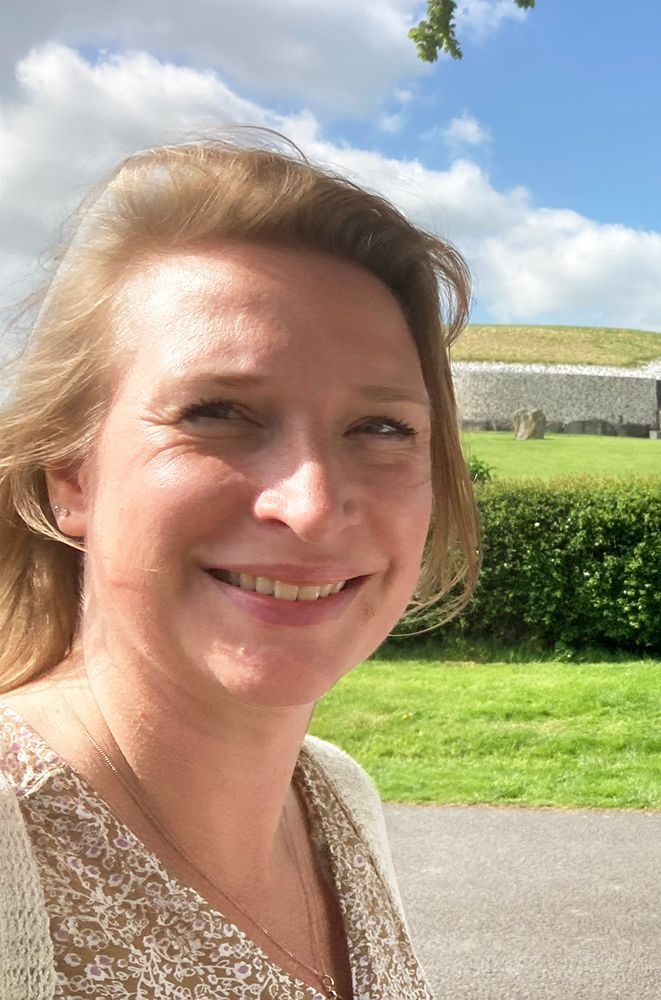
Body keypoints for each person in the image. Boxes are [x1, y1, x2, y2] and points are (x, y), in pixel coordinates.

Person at [0, 134, 480, 998]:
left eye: (380, 429)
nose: (308, 504)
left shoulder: (339, 800)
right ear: (70, 475)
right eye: (217, 412)